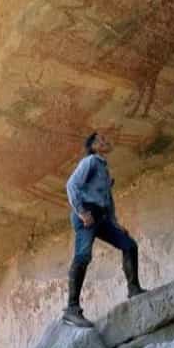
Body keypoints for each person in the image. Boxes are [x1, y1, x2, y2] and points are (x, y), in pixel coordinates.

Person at [62, 132, 147, 328]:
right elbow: (71, 185)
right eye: (101, 139)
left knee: (129, 245)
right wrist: (82, 212)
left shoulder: (103, 168)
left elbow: (107, 199)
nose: (106, 141)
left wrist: (115, 223)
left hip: (100, 217)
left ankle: (134, 289)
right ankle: (72, 309)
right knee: (83, 256)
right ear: (93, 146)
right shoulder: (90, 161)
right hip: (87, 215)